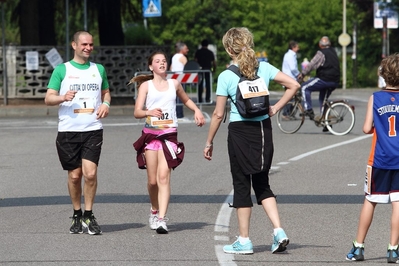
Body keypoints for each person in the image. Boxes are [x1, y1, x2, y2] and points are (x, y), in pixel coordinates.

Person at [203, 27, 300, 255]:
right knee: (262, 183)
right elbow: (294, 85)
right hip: (263, 130)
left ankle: (244, 240)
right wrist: (275, 107)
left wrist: (209, 141)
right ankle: (278, 231)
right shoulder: (263, 68)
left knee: (241, 184)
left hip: (239, 132)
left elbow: (218, 114)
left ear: (228, 49)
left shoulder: (226, 76)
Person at [130, 51, 205, 234]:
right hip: (151, 135)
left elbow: (186, 99)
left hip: (169, 135)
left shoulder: (174, 84)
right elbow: (137, 112)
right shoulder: (146, 86)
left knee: (164, 177)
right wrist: (149, 112)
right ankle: (154, 210)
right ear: (151, 66)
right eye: (158, 61)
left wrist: (196, 110)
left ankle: (162, 219)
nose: (162, 63)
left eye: (164, 61)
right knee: (153, 181)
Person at [44, 31, 111, 235]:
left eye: (91, 44)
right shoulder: (61, 70)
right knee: (75, 176)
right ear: (74, 45)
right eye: (84, 44)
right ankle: (76, 214)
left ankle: (89, 215)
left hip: (92, 129)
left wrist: (106, 104)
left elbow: (106, 92)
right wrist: (63, 97)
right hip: (68, 131)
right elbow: (48, 98)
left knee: (90, 174)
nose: (88, 48)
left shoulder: (98, 69)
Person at [346, 53, 399, 263]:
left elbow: (367, 127)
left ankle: (358, 247)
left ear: (383, 75)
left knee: (370, 200)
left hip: (379, 159)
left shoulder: (376, 98)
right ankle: (393, 249)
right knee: (398, 203)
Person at [300, 36, 340, 120]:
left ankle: (308, 109)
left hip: (325, 79)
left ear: (320, 45)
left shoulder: (321, 53)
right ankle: (326, 121)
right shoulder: (333, 51)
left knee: (304, 87)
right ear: (330, 44)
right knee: (323, 99)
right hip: (335, 81)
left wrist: (303, 74)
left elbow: (312, 64)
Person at [170, 42, 189, 119]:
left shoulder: (174, 57)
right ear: (181, 49)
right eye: (186, 48)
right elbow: (187, 67)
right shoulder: (183, 57)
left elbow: (171, 67)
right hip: (181, 78)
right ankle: (180, 114)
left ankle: (175, 113)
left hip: (174, 78)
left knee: (175, 97)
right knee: (181, 97)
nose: (187, 50)